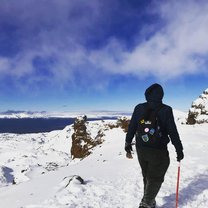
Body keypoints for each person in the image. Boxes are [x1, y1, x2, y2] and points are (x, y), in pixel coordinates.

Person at [125, 83, 184, 208]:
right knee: (155, 177)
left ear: (147, 94)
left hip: (141, 148)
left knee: (147, 175)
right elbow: (172, 131)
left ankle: (149, 200)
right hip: (158, 150)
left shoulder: (139, 108)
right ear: (162, 95)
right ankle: (146, 203)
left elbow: (132, 127)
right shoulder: (166, 109)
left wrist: (127, 142)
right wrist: (179, 149)